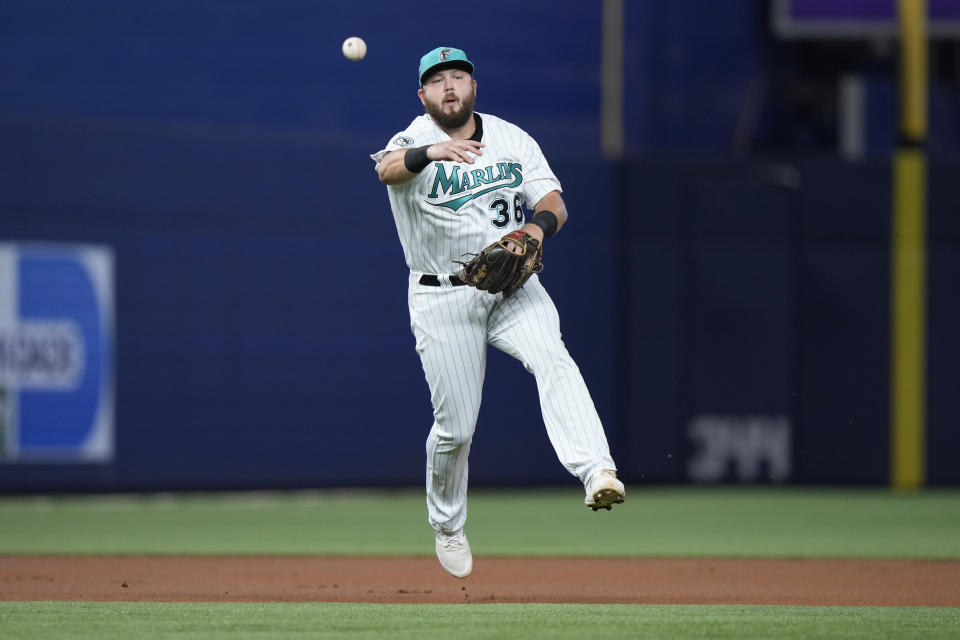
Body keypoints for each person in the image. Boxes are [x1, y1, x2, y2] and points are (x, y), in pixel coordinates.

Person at [370, 46, 624, 579]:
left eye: (458, 76)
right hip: (442, 295)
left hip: (512, 286)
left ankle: (597, 470)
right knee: (455, 430)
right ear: (423, 95)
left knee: (552, 356)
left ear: (473, 87)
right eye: (437, 80)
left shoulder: (513, 139)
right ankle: (446, 524)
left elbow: (553, 201)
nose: (449, 87)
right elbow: (388, 171)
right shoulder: (411, 139)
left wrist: (536, 229)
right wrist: (432, 153)